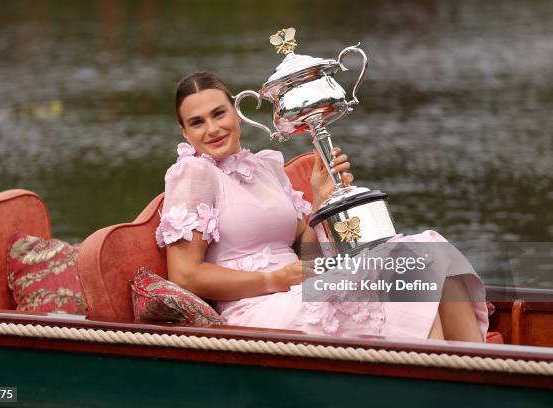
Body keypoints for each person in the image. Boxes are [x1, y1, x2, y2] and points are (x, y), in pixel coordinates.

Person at [155, 71, 488, 342]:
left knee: (428, 253)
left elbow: (309, 256)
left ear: (236, 113)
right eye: (197, 122)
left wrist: (320, 199)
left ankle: (479, 379)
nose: (212, 129)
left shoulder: (266, 167)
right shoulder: (193, 174)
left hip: (301, 286)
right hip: (256, 307)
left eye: (218, 113)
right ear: (184, 132)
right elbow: (185, 275)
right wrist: (272, 279)